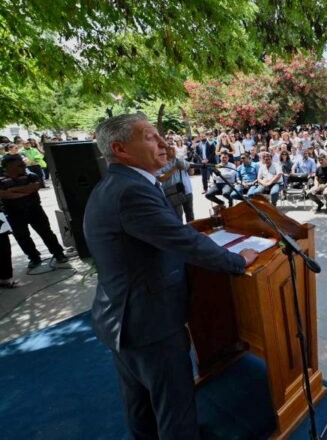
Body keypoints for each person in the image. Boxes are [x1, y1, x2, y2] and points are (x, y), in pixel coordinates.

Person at [83, 113, 258, 439]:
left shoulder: (116, 184)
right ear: (120, 149)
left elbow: (161, 237)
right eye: (150, 137)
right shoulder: (131, 191)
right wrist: (236, 260)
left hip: (123, 317)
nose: (164, 143)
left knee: (140, 400)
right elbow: (182, 240)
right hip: (150, 322)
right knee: (174, 405)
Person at [0, 155, 69, 269]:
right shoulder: (2, 181)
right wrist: (25, 190)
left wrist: (13, 190)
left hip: (34, 210)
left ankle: (58, 253)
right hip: (14, 214)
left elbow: (35, 187)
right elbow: (4, 194)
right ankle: (34, 257)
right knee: (22, 237)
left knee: (46, 232)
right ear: (9, 167)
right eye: (20, 164)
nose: (24, 166)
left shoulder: (31, 176)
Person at [156, 145, 194, 222]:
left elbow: (191, 173)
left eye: (174, 149)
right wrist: (175, 168)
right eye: (171, 149)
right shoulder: (161, 163)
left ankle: (192, 232)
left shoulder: (181, 160)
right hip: (173, 193)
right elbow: (160, 178)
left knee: (190, 215)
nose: (174, 151)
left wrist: (191, 167)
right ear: (165, 151)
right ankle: (182, 233)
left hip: (187, 191)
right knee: (178, 216)